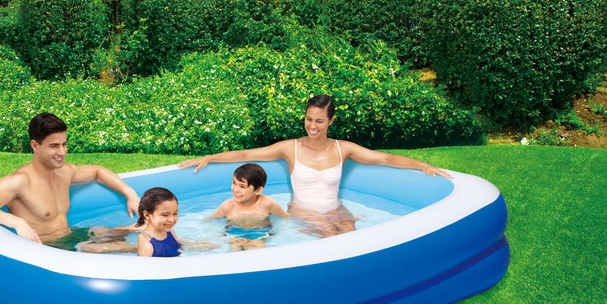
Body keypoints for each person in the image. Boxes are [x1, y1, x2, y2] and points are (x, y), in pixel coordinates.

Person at [179, 94, 452, 238]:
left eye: (319, 121)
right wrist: (210, 157)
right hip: (303, 210)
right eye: (309, 119)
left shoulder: (343, 148)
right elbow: (248, 153)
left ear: (330, 121)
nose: (312, 125)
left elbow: (384, 158)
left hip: (335, 208)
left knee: (353, 236)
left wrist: (420, 165)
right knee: (332, 237)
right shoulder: (291, 148)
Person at [0, 113, 140, 249]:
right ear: (35, 145)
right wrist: (18, 222)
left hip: (73, 236)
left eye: (64, 144)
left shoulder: (64, 172)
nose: (62, 152)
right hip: (52, 249)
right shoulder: (19, 182)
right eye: (54, 146)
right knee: (134, 249)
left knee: (141, 228)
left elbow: (97, 171)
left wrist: (130, 193)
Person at [210, 163, 289, 251]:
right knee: (235, 246)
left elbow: (286, 219)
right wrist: (216, 239)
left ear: (258, 190)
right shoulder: (228, 206)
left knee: (256, 246)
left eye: (242, 186)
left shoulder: (267, 203)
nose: (235, 189)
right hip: (234, 233)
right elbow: (211, 222)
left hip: (260, 234)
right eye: (234, 183)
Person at [134, 187, 184, 257]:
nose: (172, 219)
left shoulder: (170, 231)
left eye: (175, 213)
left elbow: (177, 249)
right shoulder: (146, 243)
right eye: (165, 215)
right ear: (147, 215)